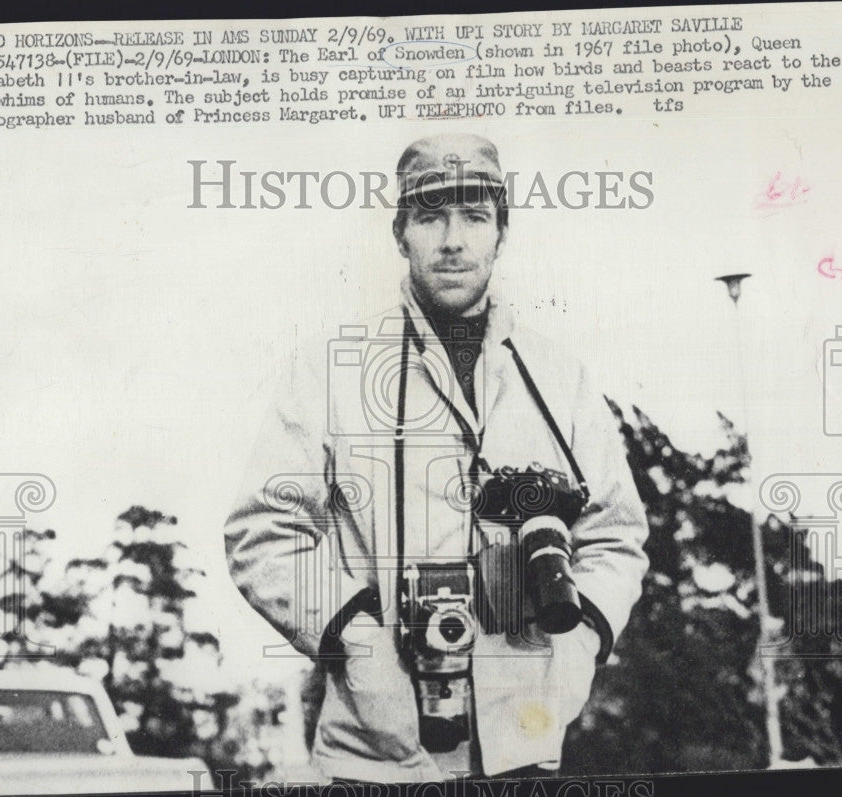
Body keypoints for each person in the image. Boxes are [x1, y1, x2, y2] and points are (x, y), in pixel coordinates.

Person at [224, 134, 649, 783]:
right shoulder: (330, 368)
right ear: (401, 232)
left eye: (475, 216)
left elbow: (615, 534)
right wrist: (358, 645)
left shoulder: (559, 376)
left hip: (525, 745)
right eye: (430, 216)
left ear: (501, 232)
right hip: (379, 756)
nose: (453, 240)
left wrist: (578, 647)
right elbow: (264, 531)